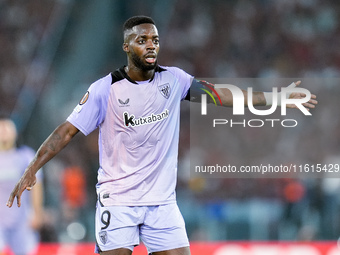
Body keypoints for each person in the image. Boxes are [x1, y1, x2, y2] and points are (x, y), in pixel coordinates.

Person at [6, 16, 317, 255]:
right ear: (127, 47)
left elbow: (221, 95)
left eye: (155, 39)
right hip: (119, 202)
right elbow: (66, 131)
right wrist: (32, 169)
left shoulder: (175, 80)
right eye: (142, 40)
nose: (151, 45)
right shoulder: (105, 89)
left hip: (162, 205)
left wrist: (276, 97)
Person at [0, 118, 44, 255]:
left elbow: (36, 186)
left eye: (7, 127)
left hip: (22, 219)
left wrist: (37, 212)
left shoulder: (26, 156)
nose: (4, 131)